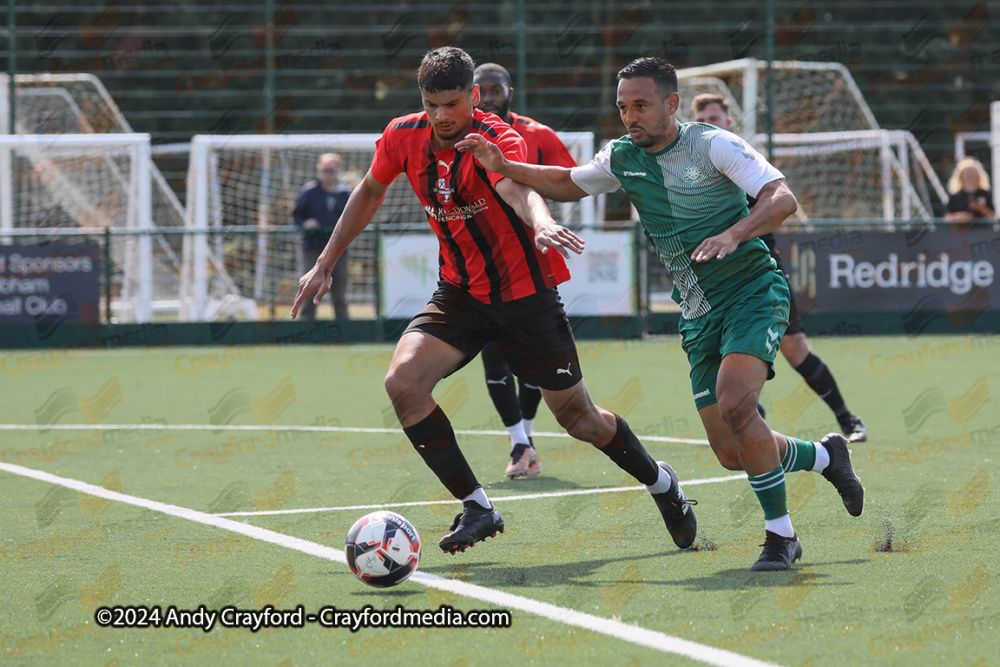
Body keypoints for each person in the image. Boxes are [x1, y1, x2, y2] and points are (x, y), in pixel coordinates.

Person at [458, 57, 864, 571]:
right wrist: (505, 167)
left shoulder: (712, 143)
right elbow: (566, 181)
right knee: (731, 451)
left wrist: (735, 233)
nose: (631, 116)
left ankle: (781, 538)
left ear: (671, 104)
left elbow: (781, 197)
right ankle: (827, 456)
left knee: (738, 405)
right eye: (623, 107)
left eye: (642, 105)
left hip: (752, 291)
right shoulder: (622, 156)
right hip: (697, 311)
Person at [292, 48, 697, 555]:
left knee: (581, 420)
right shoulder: (402, 135)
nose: (442, 115)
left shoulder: (496, 138)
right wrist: (326, 260)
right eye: (432, 103)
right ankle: (478, 507)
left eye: (453, 103)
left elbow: (517, 188)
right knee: (403, 381)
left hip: (525, 298)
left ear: (474, 96)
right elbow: (371, 189)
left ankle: (663, 485)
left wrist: (543, 222)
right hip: (459, 294)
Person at [691, 93, 867, 443]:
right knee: (717, 348)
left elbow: (778, 205)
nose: (711, 124)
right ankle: (750, 411)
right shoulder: (689, 169)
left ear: (729, 123)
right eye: (703, 120)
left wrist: (736, 234)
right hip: (712, 276)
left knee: (794, 349)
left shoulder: (742, 159)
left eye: (716, 117)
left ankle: (848, 420)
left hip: (759, 270)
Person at [474, 62, 579, 478]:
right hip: (481, 262)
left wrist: (543, 215)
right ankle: (519, 441)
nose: (491, 95)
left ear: (510, 91)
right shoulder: (458, 135)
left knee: (535, 358)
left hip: (532, 261)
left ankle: (527, 436)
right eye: (482, 89)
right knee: (493, 353)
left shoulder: (538, 135)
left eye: (497, 88)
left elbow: (569, 180)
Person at [293, 153, 351, 320]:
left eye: (331, 170)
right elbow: (296, 215)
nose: (328, 174)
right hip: (313, 248)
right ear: (319, 171)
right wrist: (305, 224)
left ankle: (343, 327)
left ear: (337, 171)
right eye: (325, 170)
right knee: (309, 288)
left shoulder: (344, 193)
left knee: (339, 290)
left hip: (339, 250)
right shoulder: (309, 192)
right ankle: (307, 325)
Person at [944, 157, 994, 224]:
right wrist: (959, 217)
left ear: (978, 175)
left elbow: (993, 217)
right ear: (961, 176)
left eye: (972, 171)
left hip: (983, 231)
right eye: (966, 172)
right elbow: (946, 217)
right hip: (961, 231)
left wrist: (982, 209)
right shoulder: (955, 196)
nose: (969, 174)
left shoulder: (985, 194)